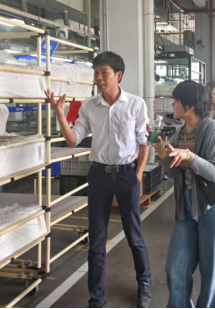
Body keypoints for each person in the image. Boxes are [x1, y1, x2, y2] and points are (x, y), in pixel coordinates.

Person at [46, 52, 153, 309]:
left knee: (134, 236)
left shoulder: (136, 104)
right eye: (96, 73)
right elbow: (73, 140)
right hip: (99, 175)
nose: (99, 78)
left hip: (127, 175)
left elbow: (144, 142)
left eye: (104, 73)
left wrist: (138, 175)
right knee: (96, 241)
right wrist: (60, 115)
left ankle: (145, 283)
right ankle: (96, 300)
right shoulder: (89, 106)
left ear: (118, 75)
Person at [153, 80, 215, 309]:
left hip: (213, 208)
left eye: (176, 101)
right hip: (186, 207)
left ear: (189, 107)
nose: (173, 104)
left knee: (212, 274)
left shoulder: (213, 130)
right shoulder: (180, 134)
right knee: (176, 268)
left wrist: (190, 157)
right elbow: (174, 172)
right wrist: (164, 156)